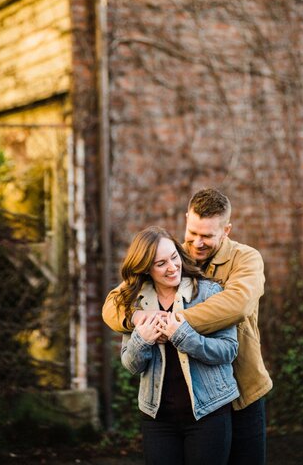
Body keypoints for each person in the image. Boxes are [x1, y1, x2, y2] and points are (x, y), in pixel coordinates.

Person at [102, 188, 273, 465]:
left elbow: (236, 305)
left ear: (226, 230)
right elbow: (113, 304)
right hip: (188, 398)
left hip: (242, 386)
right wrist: (137, 318)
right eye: (192, 232)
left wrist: (173, 320)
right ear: (186, 219)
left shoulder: (246, 259)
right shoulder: (173, 255)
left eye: (207, 236)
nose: (197, 242)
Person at [112, 226, 239, 465]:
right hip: (158, 418)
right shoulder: (137, 301)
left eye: (174, 257)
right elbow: (131, 365)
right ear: (146, 268)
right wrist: (143, 339)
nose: (172, 267)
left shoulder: (209, 292)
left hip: (209, 413)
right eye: (161, 264)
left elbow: (229, 350)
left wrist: (183, 336)